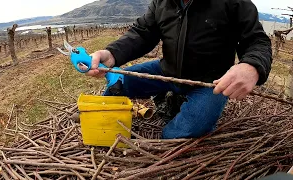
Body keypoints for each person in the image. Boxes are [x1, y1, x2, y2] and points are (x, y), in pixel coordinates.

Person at [85, 0, 272, 139]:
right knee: (118, 84)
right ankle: (104, 129)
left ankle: (164, 135)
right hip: (166, 72)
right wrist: (112, 54)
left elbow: (257, 40)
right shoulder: (162, 2)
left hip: (210, 84)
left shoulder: (234, 3)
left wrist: (252, 66)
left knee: (178, 135)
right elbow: (143, 34)